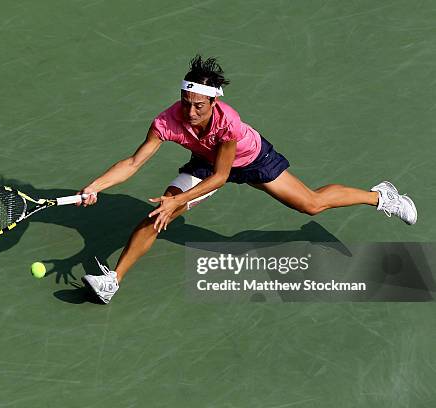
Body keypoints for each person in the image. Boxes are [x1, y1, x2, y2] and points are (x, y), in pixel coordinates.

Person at [77, 55, 417, 304]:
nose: (190, 113)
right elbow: (134, 162)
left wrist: (180, 200)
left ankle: (381, 197)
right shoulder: (166, 121)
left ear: (213, 102)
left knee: (311, 205)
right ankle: (113, 281)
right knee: (158, 214)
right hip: (206, 163)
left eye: (198, 106)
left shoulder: (228, 125)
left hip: (251, 161)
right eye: (185, 103)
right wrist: (96, 186)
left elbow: (224, 176)